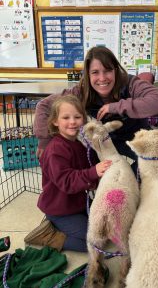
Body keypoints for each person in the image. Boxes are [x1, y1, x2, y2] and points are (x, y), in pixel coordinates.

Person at [34, 46, 158, 173]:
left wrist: (116, 107)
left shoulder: (130, 83)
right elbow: (44, 105)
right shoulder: (81, 91)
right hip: (103, 139)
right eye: (95, 72)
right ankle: (106, 190)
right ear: (88, 74)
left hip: (136, 137)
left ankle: (129, 183)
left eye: (107, 71)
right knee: (81, 161)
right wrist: (44, 140)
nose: (102, 78)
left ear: (115, 70)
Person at [25, 95, 111, 252]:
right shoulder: (55, 150)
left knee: (106, 227)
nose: (72, 122)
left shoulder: (77, 144)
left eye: (77, 117)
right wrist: (93, 172)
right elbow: (67, 182)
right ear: (55, 122)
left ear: (83, 120)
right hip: (60, 210)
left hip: (76, 203)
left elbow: (87, 167)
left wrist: (100, 175)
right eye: (66, 117)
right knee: (95, 243)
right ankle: (49, 235)